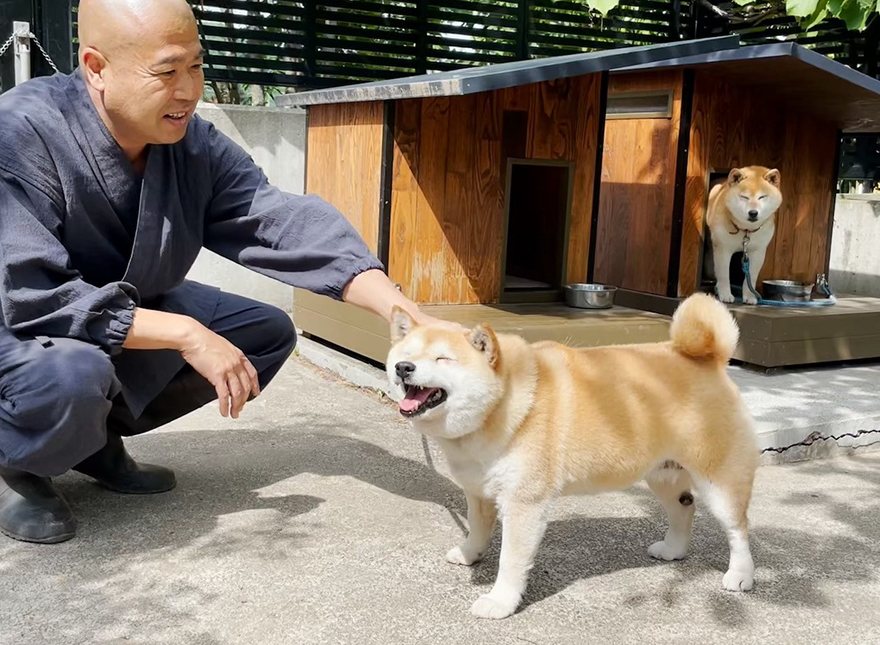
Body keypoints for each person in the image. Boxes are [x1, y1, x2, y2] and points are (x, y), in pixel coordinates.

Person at [0, 0, 455, 544]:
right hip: (25, 325)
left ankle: (93, 444)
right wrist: (188, 334)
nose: (189, 89)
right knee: (74, 377)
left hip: (125, 310)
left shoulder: (192, 144)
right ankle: (21, 462)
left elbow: (279, 221)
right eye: (167, 71)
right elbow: (36, 296)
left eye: (196, 65)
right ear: (97, 68)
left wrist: (402, 311)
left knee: (263, 333)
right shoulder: (20, 131)